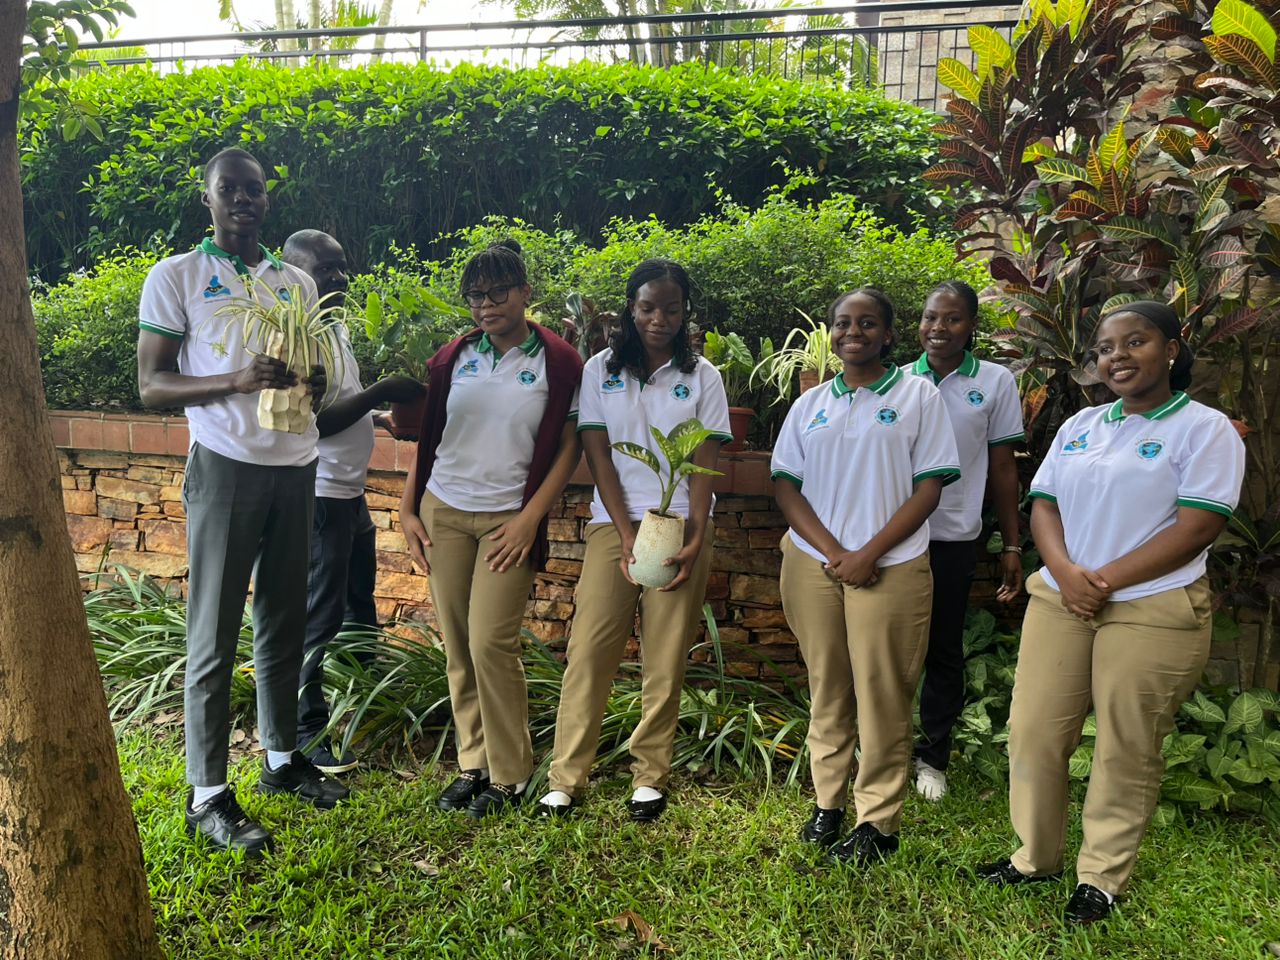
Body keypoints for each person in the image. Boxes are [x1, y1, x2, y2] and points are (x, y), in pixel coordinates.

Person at [975, 301, 1246, 924]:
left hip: (1152, 606)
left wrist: (1105, 580)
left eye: (1136, 341)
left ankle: (1100, 877)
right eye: (1106, 347)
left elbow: (1199, 524)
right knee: (1034, 730)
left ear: (1172, 349)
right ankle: (1033, 858)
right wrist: (1068, 575)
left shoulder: (1204, 430)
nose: (1117, 356)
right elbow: (1043, 504)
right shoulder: (1082, 425)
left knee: (1125, 744)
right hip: (1063, 599)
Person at [137, 148, 348, 855]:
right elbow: (152, 386)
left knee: (284, 622)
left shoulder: (292, 281)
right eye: (229, 190)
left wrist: (310, 387)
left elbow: (315, 372)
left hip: (297, 466)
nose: (243, 201)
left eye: (253, 190)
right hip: (226, 469)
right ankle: (206, 794)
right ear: (208, 199)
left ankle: (283, 760)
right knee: (214, 632)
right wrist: (234, 381)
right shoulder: (178, 277)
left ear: (267, 198)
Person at [536, 259, 731, 823]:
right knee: (589, 650)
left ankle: (650, 776)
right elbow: (596, 452)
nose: (659, 318)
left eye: (671, 308)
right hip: (612, 522)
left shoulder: (704, 378)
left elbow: (705, 462)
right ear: (630, 307)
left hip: (681, 527)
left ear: (685, 311)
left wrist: (695, 535)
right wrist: (623, 533)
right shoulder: (600, 370)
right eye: (647, 307)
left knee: (664, 656)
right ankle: (566, 777)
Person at [771, 288, 959, 865]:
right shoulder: (809, 404)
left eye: (868, 323)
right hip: (814, 564)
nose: (854, 332)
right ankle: (828, 804)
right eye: (844, 324)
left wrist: (868, 552)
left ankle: (876, 820)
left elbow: (930, 486)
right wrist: (834, 551)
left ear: (887, 333)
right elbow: (785, 482)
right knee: (827, 685)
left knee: (882, 693)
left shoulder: (917, 395)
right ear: (831, 333)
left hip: (891, 566)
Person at [398, 241, 584, 818]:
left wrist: (531, 519)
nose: (486, 304)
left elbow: (570, 449)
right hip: (445, 510)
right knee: (457, 643)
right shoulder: (453, 357)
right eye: (475, 294)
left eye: (498, 291)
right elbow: (431, 439)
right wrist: (408, 509)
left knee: (490, 642)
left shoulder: (557, 361)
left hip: (509, 518)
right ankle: (472, 765)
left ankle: (510, 773)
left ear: (526, 293)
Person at [281, 229, 424, 774]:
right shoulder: (297, 336)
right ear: (295, 276)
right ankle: (305, 733)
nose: (339, 280)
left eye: (342, 269)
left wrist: (380, 418)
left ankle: (366, 699)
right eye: (326, 271)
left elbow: (343, 402)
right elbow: (314, 418)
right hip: (319, 495)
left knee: (358, 601)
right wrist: (382, 390)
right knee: (316, 618)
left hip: (349, 492)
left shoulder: (332, 327)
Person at [907, 281, 1025, 801]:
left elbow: (1002, 468)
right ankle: (882, 744)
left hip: (953, 536)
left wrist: (1012, 545)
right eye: (931, 318)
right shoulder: (896, 379)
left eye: (952, 319)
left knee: (943, 649)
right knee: (882, 649)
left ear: (971, 326)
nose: (939, 328)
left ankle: (933, 756)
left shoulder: (996, 382)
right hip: (891, 539)